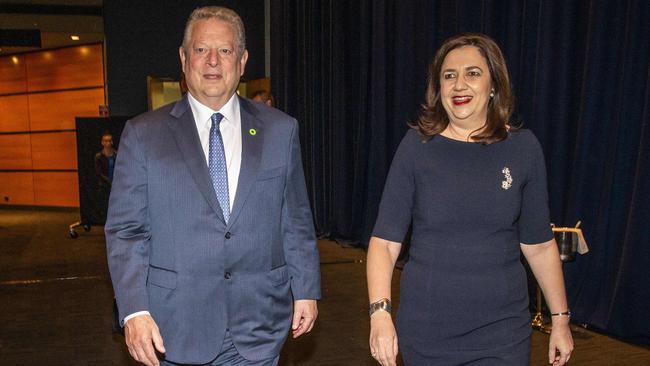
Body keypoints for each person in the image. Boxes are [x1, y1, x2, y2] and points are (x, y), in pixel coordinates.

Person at [106, 6, 320, 366]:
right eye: (201, 50)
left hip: (259, 327)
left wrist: (306, 290)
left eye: (225, 51)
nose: (213, 62)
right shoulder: (143, 135)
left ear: (242, 60)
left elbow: (294, 219)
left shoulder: (281, 130)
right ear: (183, 57)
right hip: (173, 331)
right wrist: (134, 311)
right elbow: (126, 231)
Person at [366, 33, 574, 366]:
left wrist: (561, 320)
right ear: (439, 88)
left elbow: (539, 245)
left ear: (494, 85)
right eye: (449, 76)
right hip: (427, 333)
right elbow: (385, 242)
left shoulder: (524, 149)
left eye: (472, 73)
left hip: (503, 334)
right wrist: (380, 315)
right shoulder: (415, 148)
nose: (459, 85)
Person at [94, 131, 117, 222]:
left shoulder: (117, 154)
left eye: (109, 141)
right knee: (104, 207)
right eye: (106, 141)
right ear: (102, 142)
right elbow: (98, 173)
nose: (108, 143)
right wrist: (109, 182)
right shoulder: (98, 156)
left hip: (116, 185)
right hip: (104, 186)